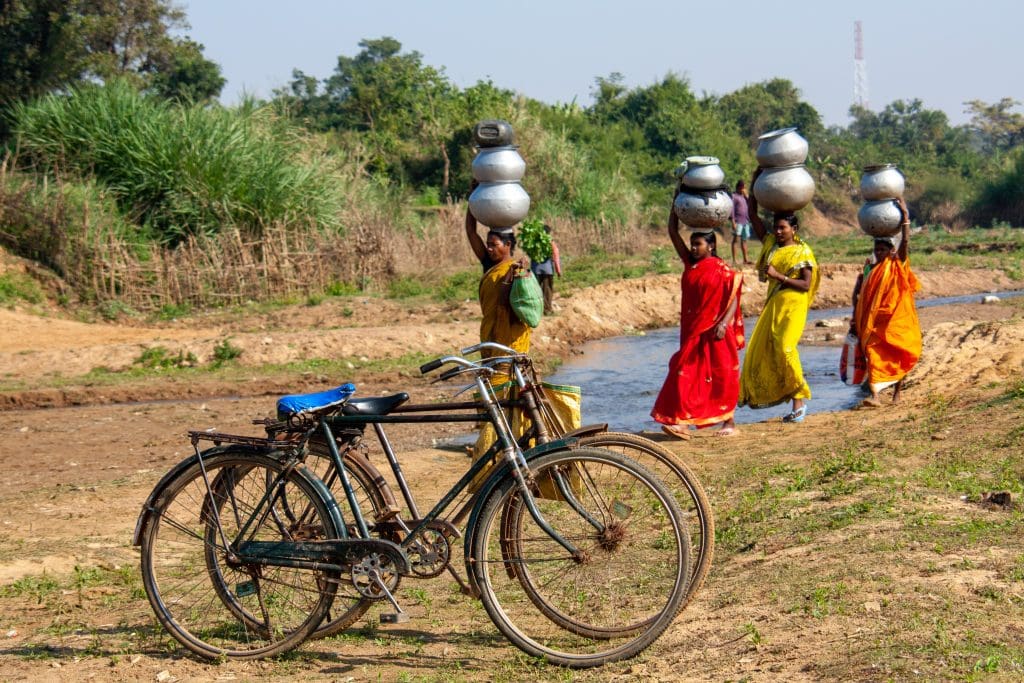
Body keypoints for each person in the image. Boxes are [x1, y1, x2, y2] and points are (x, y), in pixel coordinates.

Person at [652, 189, 745, 439]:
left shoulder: (722, 270)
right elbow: (672, 232)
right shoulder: (690, 263)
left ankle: (728, 422)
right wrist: (675, 200)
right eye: (692, 243)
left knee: (721, 374)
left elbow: (733, 300)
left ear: (711, 246)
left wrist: (724, 324)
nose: (693, 248)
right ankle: (681, 422)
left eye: (698, 244)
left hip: (715, 331)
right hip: (693, 329)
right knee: (684, 370)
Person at [738, 168, 820, 423]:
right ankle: (795, 400)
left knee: (786, 348)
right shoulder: (771, 244)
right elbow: (752, 215)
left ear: (794, 229)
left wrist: (778, 276)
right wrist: (753, 184)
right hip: (775, 303)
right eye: (777, 227)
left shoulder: (802, 252)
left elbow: (805, 285)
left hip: (793, 303)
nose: (779, 231)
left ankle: (800, 400)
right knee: (767, 351)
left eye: (783, 227)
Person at [850, 198, 921, 407]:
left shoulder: (897, 263)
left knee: (897, 354)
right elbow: (858, 295)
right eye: (877, 250)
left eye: (883, 250)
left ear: (891, 251)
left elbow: (905, 243)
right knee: (872, 354)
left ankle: (897, 393)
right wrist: (855, 319)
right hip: (875, 322)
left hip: (897, 320)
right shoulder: (869, 270)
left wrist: (905, 218)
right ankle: (875, 396)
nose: (879, 253)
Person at [464, 204, 531, 358]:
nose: (489, 249)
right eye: (488, 245)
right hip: (489, 332)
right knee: (491, 377)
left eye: (494, 245)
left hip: (510, 336)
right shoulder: (489, 264)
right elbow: (471, 231)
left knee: (506, 377)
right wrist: (472, 201)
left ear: (508, 245)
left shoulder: (518, 270)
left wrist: (519, 274)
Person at [529, 224, 562, 315]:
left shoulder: (533, 242)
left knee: (536, 289)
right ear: (548, 232)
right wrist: (558, 270)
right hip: (547, 270)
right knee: (547, 289)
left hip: (535, 269)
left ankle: (536, 309)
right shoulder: (550, 242)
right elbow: (556, 256)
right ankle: (547, 309)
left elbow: (529, 253)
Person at [730, 180, 754, 265]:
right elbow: (731, 209)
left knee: (744, 240)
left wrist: (746, 196)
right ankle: (734, 260)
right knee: (736, 239)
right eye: (743, 188)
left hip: (745, 221)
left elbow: (750, 204)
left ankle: (745, 259)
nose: (744, 189)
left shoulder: (744, 197)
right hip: (738, 221)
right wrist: (733, 221)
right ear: (739, 187)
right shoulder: (734, 196)